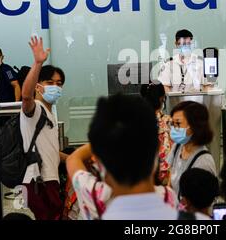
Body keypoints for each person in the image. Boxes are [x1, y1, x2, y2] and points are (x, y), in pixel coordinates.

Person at [66, 94, 207, 220]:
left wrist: (106, 140)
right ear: (157, 150)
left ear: (99, 162)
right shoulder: (167, 197)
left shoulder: (95, 196)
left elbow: (73, 159)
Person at [20, 36, 69, 220]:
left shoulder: (50, 113)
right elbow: (26, 96)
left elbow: (51, 151)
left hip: (48, 178)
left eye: (59, 84)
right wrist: (38, 63)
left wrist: (73, 159)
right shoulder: (35, 109)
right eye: (50, 83)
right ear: (38, 86)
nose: (55, 87)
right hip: (38, 180)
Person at [167, 101, 217, 198]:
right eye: (172, 124)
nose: (173, 128)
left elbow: (201, 201)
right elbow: (171, 176)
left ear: (194, 126)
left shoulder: (203, 162)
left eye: (178, 123)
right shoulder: (178, 147)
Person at [140, 82, 173, 186]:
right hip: (166, 178)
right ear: (162, 98)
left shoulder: (134, 123)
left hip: (142, 178)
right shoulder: (169, 122)